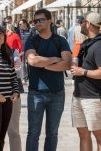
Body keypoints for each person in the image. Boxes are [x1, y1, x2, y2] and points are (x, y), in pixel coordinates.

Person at [25, 8, 71, 151]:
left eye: (40, 20)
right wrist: (54, 60)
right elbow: (32, 60)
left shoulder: (60, 41)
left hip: (57, 93)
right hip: (36, 93)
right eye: (35, 21)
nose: (37, 23)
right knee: (33, 133)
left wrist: (44, 64)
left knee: (52, 133)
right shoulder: (31, 41)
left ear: (49, 21)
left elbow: (68, 64)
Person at [70, 12, 101, 151]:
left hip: (94, 98)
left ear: (88, 24)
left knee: (99, 136)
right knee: (83, 134)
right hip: (79, 96)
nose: (80, 24)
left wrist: (83, 72)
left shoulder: (100, 46)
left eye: (82, 21)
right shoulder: (87, 43)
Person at [18, 19, 31, 83]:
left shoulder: (30, 30)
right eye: (19, 24)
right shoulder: (19, 31)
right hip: (22, 50)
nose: (19, 25)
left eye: (20, 24)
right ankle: (24, 78)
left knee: (30, 64)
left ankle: (30, 77)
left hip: (29, 50)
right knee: (23, 65)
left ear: (25, 24)